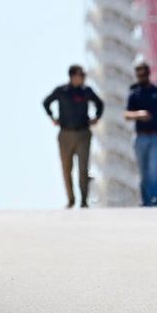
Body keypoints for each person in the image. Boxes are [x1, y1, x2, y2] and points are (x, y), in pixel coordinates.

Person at [42, 64, 104, 208]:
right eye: (80, 75)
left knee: (83, 168)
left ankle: (84, 200)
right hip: (65, 134)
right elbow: (46, 102)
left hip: (83, 134)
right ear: (73, 76)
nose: (83, 78)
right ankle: (71, 199)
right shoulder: (61, 91)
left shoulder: (87, 91)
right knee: (66, 168)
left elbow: (100, 104)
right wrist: (52, 117)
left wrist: (96, 117)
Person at [124, 62, 157, 207]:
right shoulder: (134, 94)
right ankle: (146, 201)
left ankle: (156, 201)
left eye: (143, 73)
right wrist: (139, 115)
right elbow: (127, 114)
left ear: (148, 73)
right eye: (138, 74)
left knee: (153, 169)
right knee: (143, 171)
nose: (141, 76)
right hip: (140, 137)